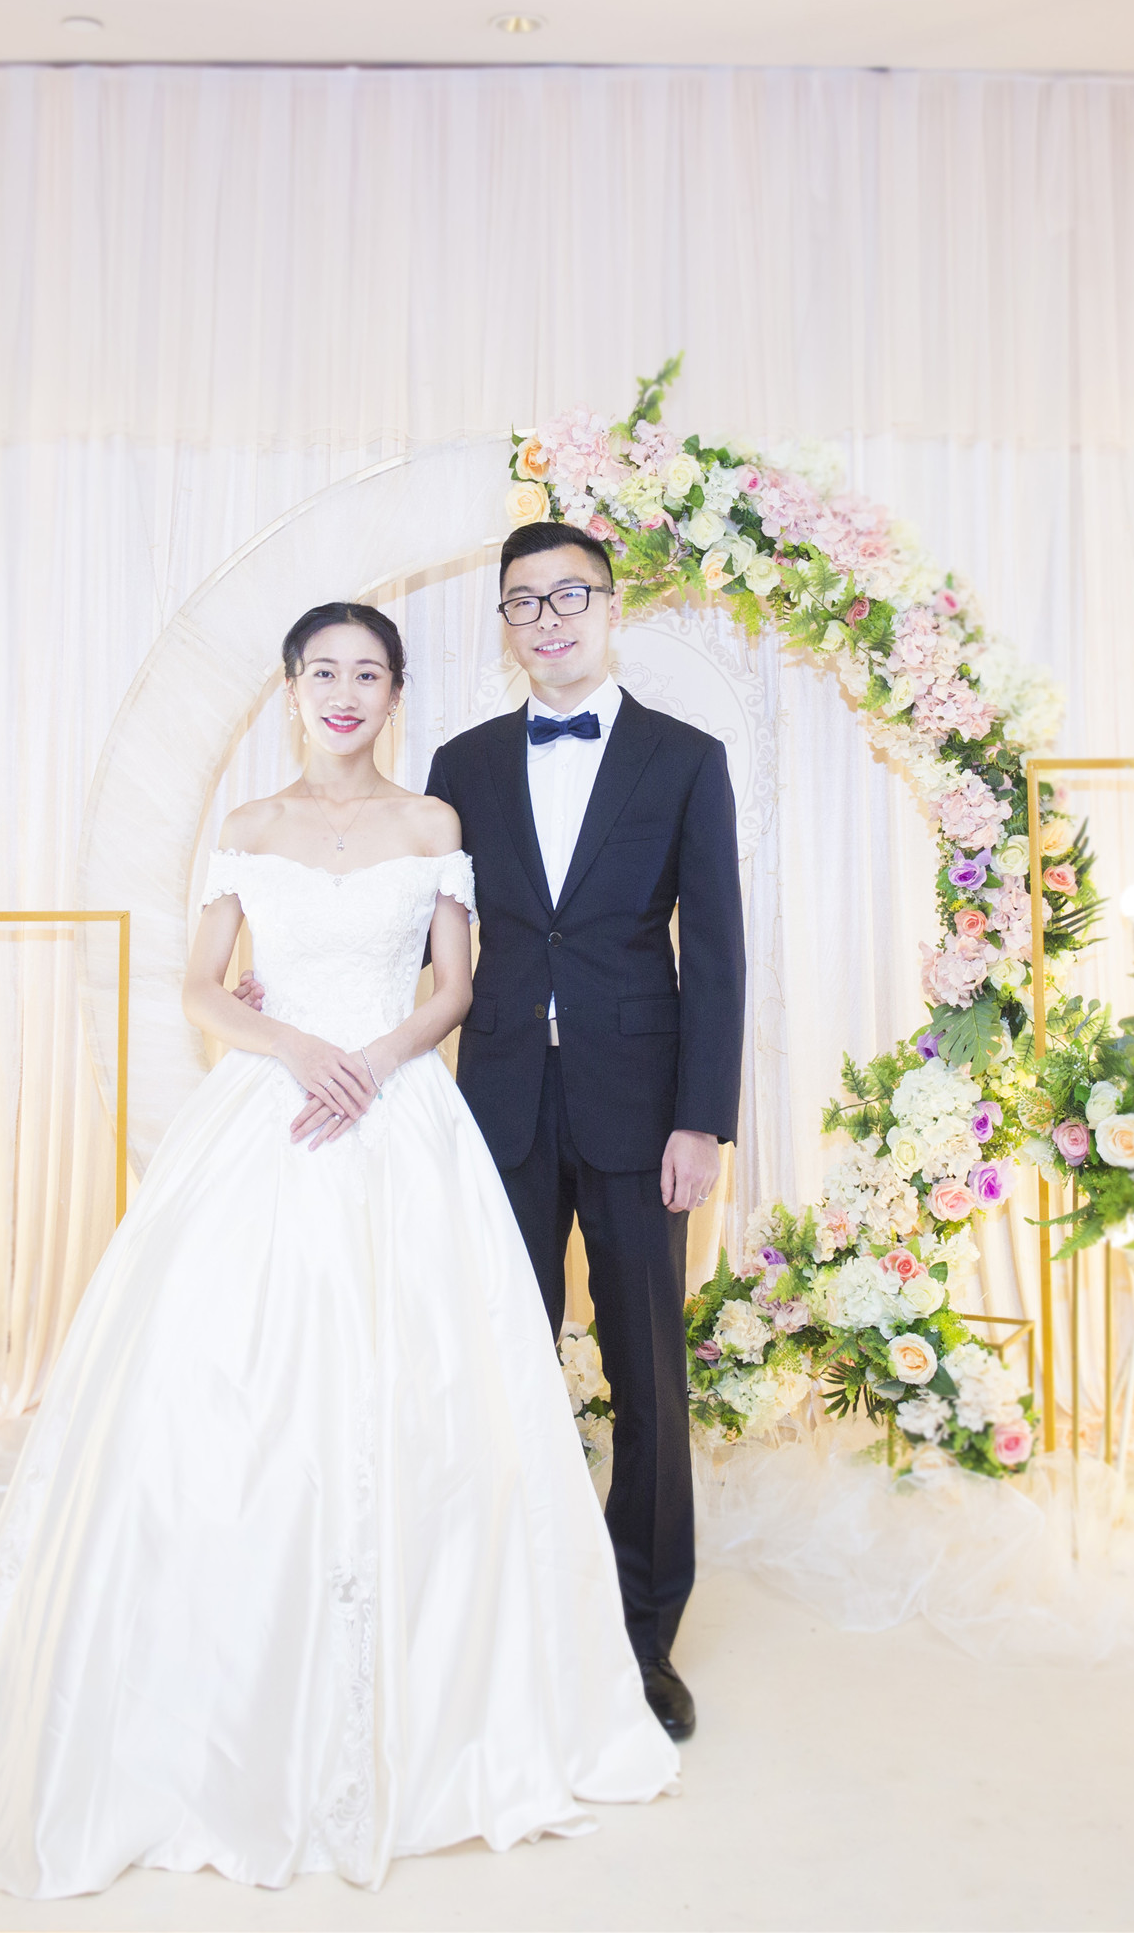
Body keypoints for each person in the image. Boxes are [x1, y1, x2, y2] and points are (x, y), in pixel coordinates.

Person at [0, 602, 676, 1899]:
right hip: (271, 1106)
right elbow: (202, 986)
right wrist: (295, 1048)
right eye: (324, 672)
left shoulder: (433, 825)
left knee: (432, 1386)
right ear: (292, 689)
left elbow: (455, 985)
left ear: (396, 692)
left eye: (369, 672)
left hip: (398, 1105)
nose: (345, 691)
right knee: (228, 1387)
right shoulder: (248, 827)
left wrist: (373, 1057)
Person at [411, 521, 746, 1742]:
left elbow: (716, 952)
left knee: (648, 1369)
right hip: (496, 1098)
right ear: (503, 623)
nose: (546, 619)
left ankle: (642, 1633)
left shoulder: (685, 758)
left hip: (640, 1106)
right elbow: (416, 927)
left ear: (611, 608)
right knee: (503, 1359)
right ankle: (514, 1606)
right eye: (523, 601)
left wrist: (702, 1118)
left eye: (568, 596)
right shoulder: (461, 762)